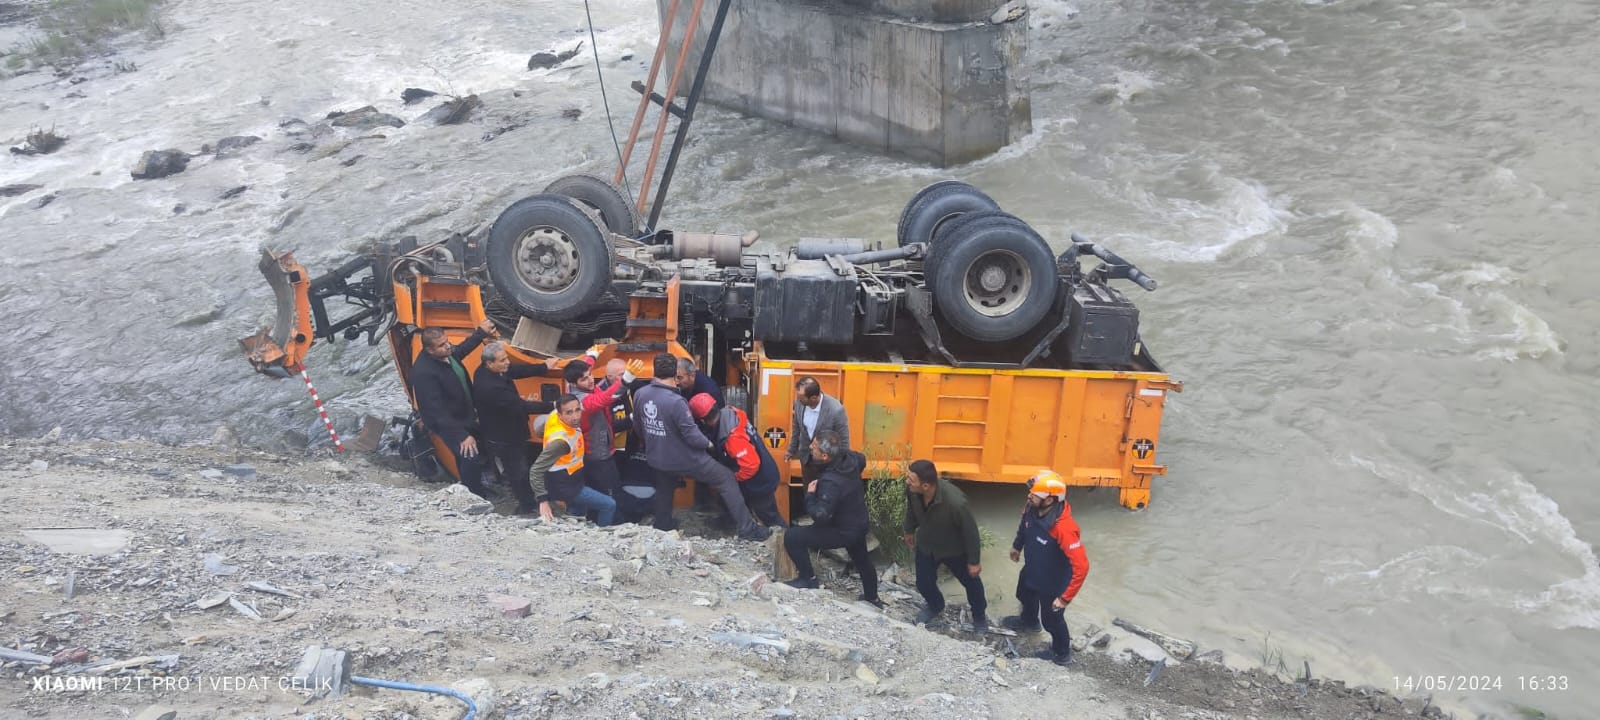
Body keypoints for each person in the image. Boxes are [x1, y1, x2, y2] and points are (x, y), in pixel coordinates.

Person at [632, 353, 770, 541]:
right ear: (675, 375)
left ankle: (663, 524)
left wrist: (654, 444)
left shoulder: (641, 394)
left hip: (657, 457)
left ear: (655, 371)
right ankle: (748, 530)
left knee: (665, 485)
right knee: (725, 478)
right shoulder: (677, 402)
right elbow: (693, 436)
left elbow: (638, 427)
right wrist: (709, 444)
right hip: (684, 459)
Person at [780, 430, 881, 606]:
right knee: (862, 559)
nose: (810, 448)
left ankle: (808, 579)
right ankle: (873, 598)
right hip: (858, 523)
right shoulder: (851, 459)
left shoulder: (831, 482)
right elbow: (862, 460)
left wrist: (810, 495)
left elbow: (820, 516)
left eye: (814, 448)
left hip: (842, 530)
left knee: (792, 537)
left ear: (825, 456)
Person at [1002, 469, 1089, 666]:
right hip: (1032, 569)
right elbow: (1024, 526)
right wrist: (1017, 546)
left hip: (1053, 583)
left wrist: (1064, 598)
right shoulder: (1031, 508)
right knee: (1023, 594)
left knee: (1052, 621)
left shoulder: (1064, 528)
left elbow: (1082, 567)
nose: (1029, 496)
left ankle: (1062, 653)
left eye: (1034, 495)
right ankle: (1029, 622)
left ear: (1049, 500)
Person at [410, 318, 496, 498]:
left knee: (480, 447)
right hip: (448, 423)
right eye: (442, 345)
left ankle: (481, 485)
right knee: (469, 455)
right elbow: (435, 412)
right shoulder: (424, 373)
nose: (448, 346)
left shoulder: (446, 354)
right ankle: (474, 495)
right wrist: (461, 436)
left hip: (464, 413)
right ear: (429, 350)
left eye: (447, 341)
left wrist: (481, 333)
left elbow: (461, 350)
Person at [902, 459, 989, 633]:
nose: (907, 482)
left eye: (911, 479)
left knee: (972, 585)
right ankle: (935, 605)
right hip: (927, 544)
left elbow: (970, 532)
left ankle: (980, 617)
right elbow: (911, 510)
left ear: (926, 486)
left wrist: (974, 561)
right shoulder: (913, 491)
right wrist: (909, 530)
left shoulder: (956, 503)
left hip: (954, 549)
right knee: (923, 583)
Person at [471, 342, 554, 514]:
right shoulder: (490, 387)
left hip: (510, 430)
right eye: (502, 360)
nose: (507, 362)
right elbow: (520, 406)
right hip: (505, 437)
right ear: (489, 363)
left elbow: (515, 371)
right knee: (518, 471)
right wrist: (552, 406)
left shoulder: (488, 370)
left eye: (506, 358)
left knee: (519, 467)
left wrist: (543, 367)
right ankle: (527, 506)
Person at [688, 393, 785, 528]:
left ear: (703, 421)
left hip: (760, 481)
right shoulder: (731, 413)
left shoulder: (732, 438)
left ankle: (785, 535)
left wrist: (732, 477)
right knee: (728, 499)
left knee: (768, 515)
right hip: (757, 472)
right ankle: (729, 523)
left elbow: (751, 466)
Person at [527, 394, 617, 526]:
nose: (575, 416)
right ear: (560, 415)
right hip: (568, 488)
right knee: (609, 505)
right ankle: (603, 533)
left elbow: (541, 428)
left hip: (572, 480)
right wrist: (542, 500)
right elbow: (535, 470)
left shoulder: (555, 416)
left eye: (577, 410)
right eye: (569, 413)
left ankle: (576, 527)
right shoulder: (560, 442)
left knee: (577, 515)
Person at [563, 357, 641, 497]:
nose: (591, 380)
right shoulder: (581, 402)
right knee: (610, 491)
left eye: (590, 375)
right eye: (584, 379)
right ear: (574, 384)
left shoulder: (583, 386)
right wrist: (626, 379)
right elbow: (605, 398)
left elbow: (587, 367)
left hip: (605, 449)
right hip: (597, 455)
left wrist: (592, 356)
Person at [787, 377, 849, 483]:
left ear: (813, 398)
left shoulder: (836, 410)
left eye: (801, 397)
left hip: (827, 465)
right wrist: (791, 450)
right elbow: (796, 427)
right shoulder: (799, 404)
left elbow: (844, 441)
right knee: (808, 490)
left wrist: (839, 467)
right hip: (807, 460)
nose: (798, 399)